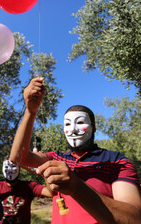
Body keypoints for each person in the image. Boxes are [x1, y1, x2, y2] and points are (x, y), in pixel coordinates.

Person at [9, 77, 141, 224]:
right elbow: (18, 158)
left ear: (94, 127)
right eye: (67, 124)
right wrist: (30, 112)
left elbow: (134, 217)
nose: (73, 129)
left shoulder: (116, 161)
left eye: (80, 122)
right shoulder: (56, 158)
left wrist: (76, 187)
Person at [0, 156, 53, 224]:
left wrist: (45, 169)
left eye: (13, 166)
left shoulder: (29, 187)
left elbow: (50, 192)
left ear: (19, 168)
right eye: (6, 167)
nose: (10, 170)